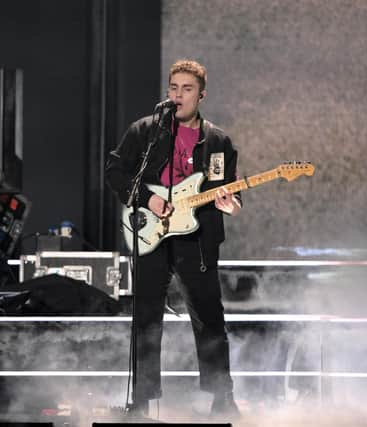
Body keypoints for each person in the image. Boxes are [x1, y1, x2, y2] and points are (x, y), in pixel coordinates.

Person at [106, 59, 242, 418]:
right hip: (151, 233)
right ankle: (141, 402)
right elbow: (115, 171)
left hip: (196, 239)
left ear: (201, 96)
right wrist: (147, 199)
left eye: (187, 89)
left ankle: (222, 398)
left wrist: (230, 205)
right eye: (173, 88)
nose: (178, 95)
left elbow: (229, 191)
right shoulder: (146, 131)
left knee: (209, 318)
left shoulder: (217, 141)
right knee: (146, 319)